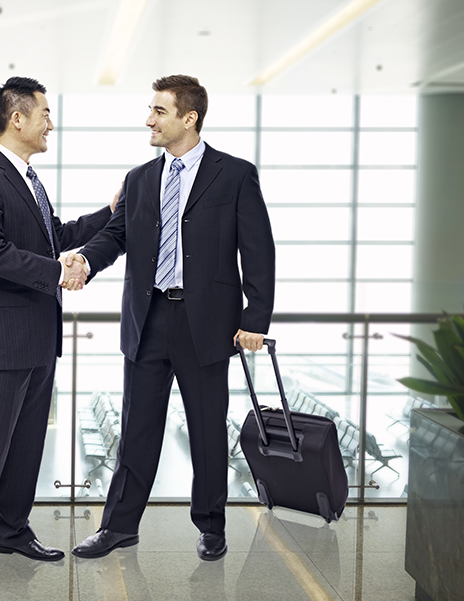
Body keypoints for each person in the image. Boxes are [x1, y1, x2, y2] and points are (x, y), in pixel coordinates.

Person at [68, 75, 275, 561]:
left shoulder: (235, 174)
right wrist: (84, 260)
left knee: (206, 430)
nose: (148, 120)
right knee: (137, 429)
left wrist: (256, 317)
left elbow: (259, 250)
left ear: (189, 118)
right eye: (150, 110)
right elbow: (116, 235)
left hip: (206, 322)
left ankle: (211, 527)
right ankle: (119, 527)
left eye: (158, 111)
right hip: (147, 318)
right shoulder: (141, 178)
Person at [0, 76, 117, 572]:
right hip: (2, 337)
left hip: (38, 334)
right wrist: (60, 272)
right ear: (18, 119)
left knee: (29, 441)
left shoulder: (30, 179)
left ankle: (11, 530)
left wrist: (112, 213)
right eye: (45, 114)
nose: (50, 122)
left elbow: (55, 236)